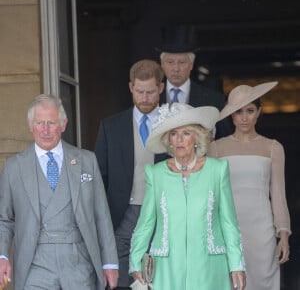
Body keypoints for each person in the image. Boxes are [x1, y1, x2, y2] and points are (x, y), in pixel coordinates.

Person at [0, 94, 118, 290]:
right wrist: (2, 255)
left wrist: (110, 263)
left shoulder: (86, 160)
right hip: (34, 264)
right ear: (30, 125)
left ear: (63, 124)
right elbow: (4, 219)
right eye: (39, 123)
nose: (45, 130)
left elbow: (101, 216)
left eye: (52, 123)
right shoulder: (14, 167)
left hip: (79, 263)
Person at [129, 102, 246, 290]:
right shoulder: (155, 174)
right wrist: (136, 261)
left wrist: (236, 265)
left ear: (197, 137)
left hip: (208, 265)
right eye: (174, 134)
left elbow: (228, 222)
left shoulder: (217, 170)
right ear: (168, 140)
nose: (179, 140)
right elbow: (146, 223)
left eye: (186, 133)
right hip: (167, 266)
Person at [207, 81, 291, 290]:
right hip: (227, 229)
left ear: (259, 112)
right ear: (231, 115)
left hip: (262, 230)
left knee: (263, 282)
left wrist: (283, 235)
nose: (244, 117)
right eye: (238, 112)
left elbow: (278, 194)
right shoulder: (215, 148)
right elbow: (212, 195)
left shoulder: (273, 147)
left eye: (250, 110)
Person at [95, 59, 168, 289]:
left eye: (150, 92)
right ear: (130, 88)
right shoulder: (111, 126)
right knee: (122, 281)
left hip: (164, 214)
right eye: (139, 92)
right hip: (122, 216)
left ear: (161, 88)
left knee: (163, 278)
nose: (144, 98)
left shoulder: (173, 126)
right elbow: (100, 178)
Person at [157, 42, 233, 139]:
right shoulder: (149, 97)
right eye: (170, 62)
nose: (176, 68)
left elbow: (224, 140)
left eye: (182, 62)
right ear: (162, 64)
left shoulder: (213, 100)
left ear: (191, 65)